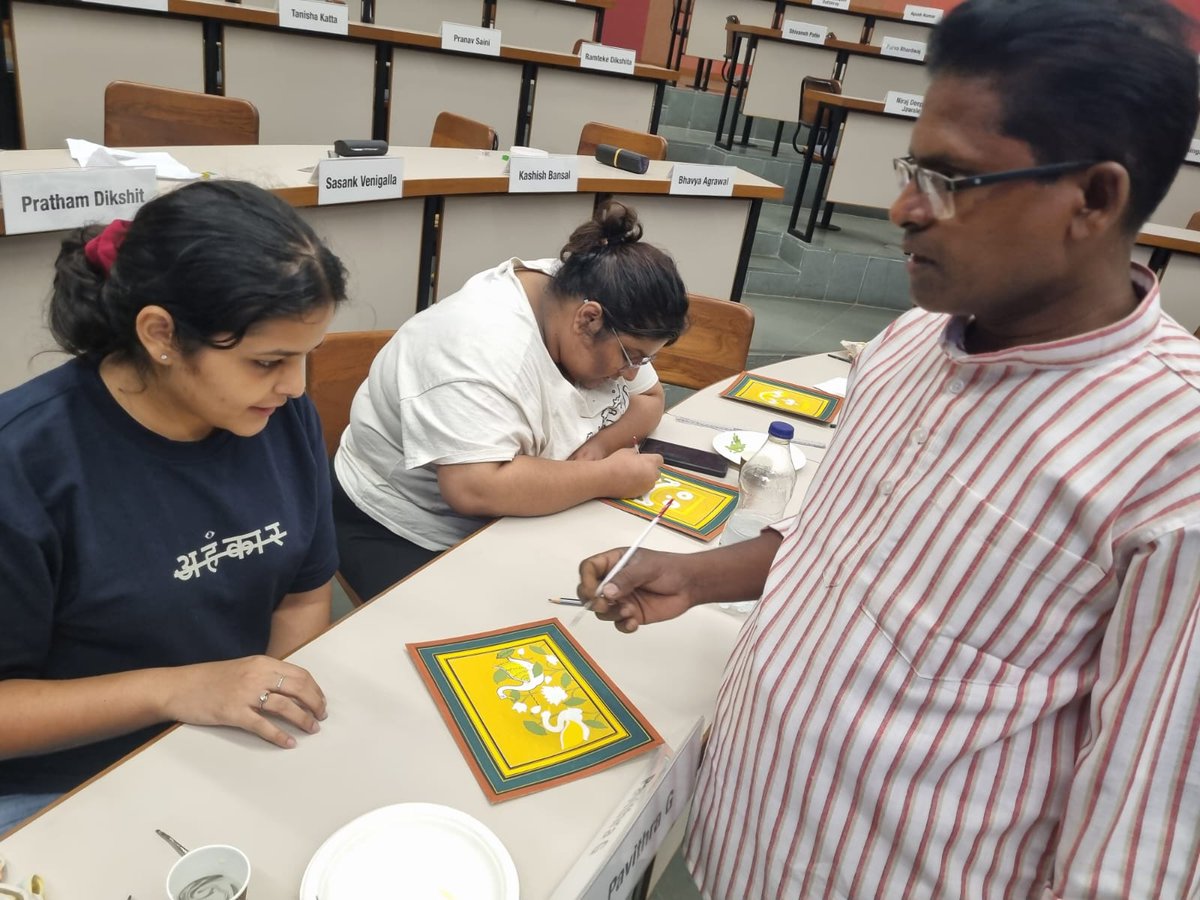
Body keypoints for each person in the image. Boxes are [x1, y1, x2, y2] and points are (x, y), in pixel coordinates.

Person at [578, 1, 1200, 896]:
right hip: (742, 849)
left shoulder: (1174, 464)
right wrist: (701, 576)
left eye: (953, 181)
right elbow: (843, 535)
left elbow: (1142, 843)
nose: (902, 208)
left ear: (1093, 199)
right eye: (916, 167)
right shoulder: (912, 340)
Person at [0, 180, 348, 834]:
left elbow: (304, 595)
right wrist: (176, 690)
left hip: (225, 737)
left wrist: (269, 709)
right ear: (161, 334)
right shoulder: (24, 465)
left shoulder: (278, 413)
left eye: (308, 356)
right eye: (268, 360)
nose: (297, 386)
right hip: (67, 784)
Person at [333, 200, 688, 601]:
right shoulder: (477, 346)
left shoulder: (588, 295)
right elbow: (475, 488)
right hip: (405, 525)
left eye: (645, 359)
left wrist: (598, 448)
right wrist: (608, 476)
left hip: (513, 512)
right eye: (632, 357)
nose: (632, 373)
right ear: (588, 319)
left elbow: (650, 399)